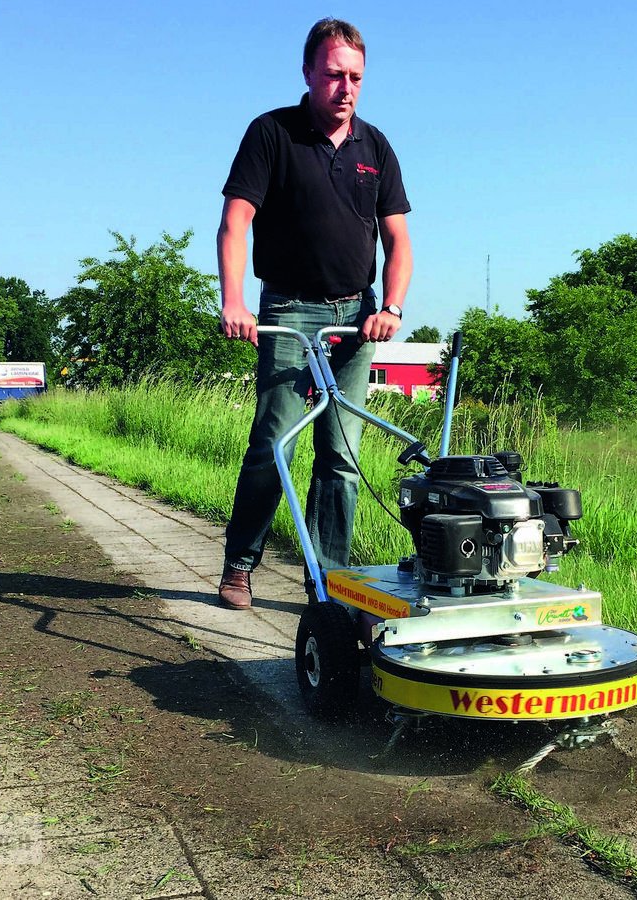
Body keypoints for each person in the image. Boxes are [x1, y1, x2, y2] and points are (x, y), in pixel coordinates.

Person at [216, 18, 412, 610]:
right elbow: (235, 222)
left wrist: (393, 308)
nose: (345, 88)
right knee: (276, 441)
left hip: (356, 318)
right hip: (289, 310)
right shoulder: (272, 133)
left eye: (355, 77)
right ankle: (240, 563)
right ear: (308, 73)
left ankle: (327, 579)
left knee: (342, 455)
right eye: (334, 75)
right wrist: (234, 301)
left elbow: (399, 242)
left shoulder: (375, 147)